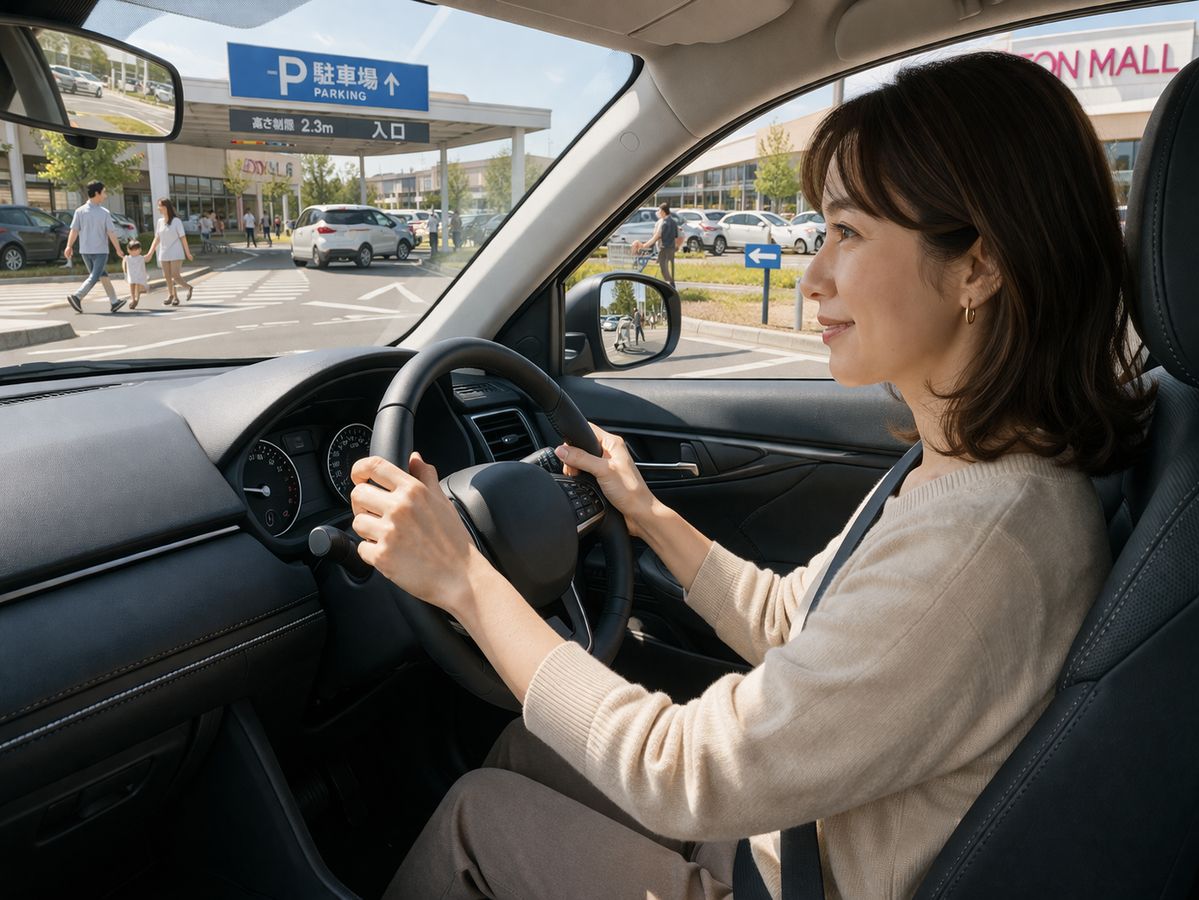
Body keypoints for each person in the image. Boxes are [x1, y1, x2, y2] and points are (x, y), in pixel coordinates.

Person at [355, 52, 1154, 900]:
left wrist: (464, 578)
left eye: (847, 233)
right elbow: (793, 621)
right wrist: (649, 513)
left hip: (792, 882)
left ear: (978, 268)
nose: (813, 274)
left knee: (479, 817)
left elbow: (680, 770)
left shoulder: (984, 542)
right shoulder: (967, 466)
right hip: (792, 843)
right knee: (526, 748)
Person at [64, 181, 126, 314]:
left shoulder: (79, 211)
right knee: (94, 276)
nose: (105, 195)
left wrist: (69, 246)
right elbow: (111, 232)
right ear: (97, 193)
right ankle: (77, 296)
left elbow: (74, 231)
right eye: (104, 192)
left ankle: (114, 302)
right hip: (100, 251)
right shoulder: (104, 213)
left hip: (85, 251)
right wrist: (118, 249)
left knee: (102, 274)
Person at [147, 197, 194, 306]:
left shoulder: (176, 221)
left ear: (166, 207)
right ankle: (172, 296)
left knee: (175, 275)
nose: (158, 208)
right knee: (167, 276)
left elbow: (183, 238)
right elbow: (157, 238)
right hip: (164, 252)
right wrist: (150, 253)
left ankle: (188, 287)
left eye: (160, 206)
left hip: (176, 252)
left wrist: (188, 253)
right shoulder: (160, 222)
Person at [635, 203, 681, 287]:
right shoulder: (674, 222)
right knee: (667, 269)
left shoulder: (664, 223)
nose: (658, 212)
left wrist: (644, 246)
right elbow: (676, 237)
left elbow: (656, 237)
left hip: (663, 249)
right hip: (671, 249)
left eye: (659, 210)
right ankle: (671, 285)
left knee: (664, 270)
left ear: (663, 212)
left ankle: (671, 287)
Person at [121, 240, 148, 309]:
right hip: (131, 276)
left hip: (139, 275)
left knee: (137, 288)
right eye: (132, 250)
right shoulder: (127, 258)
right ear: (128, 250)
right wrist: (125, 270)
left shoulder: (141, 257)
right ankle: (133, 299)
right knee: (132, 287)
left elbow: (147, 258)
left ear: (140, 250)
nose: (134, 251)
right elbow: (124, 263)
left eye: (136, 250)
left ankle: (136, 300)